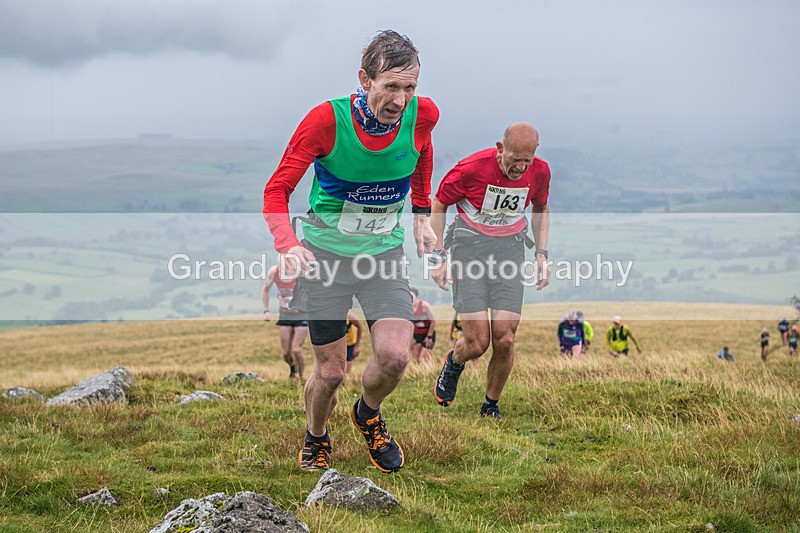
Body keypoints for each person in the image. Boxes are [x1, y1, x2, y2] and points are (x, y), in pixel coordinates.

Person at [263, 30, 439, 473]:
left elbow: (421, 155)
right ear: (365, 79)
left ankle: (367, 413)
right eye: (391, 86)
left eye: (410, 87)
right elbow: (276, 190)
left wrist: (421, 216)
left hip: (382, 256)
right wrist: (288, 245)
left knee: (396, 357)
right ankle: (316, 435)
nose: (400, 100)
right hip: (323, 257)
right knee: (331, 372)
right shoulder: (326, 122)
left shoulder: (423, 115)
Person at [430, 122, 551, 420]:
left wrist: (541, 253)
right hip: (469, 251)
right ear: (500, 148)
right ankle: (455, 360)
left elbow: (541, 208)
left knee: (505, 338)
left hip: (509, 251)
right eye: (515, 159)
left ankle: (490, 405)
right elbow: (439, 204)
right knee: (477, 343)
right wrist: (438, 256)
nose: (520, 167)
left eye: (527, 160)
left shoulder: (540, 171)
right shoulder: (470, 169)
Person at [262, 264, 309, 379]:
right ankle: (293, 369)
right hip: (285, 316)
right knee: (286, 353)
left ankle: (301, 377)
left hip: (302, 315)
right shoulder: (274, 272)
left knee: (296, 350)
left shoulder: (300, 271)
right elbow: (265, 289)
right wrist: (266, 310)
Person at [409, 287, 437, 362]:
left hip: (427, 334)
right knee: (415, 360)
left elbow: (433, 322)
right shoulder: (407, 308)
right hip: (416, 334)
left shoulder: (424, 305)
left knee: (423, 359)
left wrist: (429, 337)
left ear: (417, 297)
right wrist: (412, 338)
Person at [345, 310, 364, 374]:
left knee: (347, 370)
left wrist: (357, 346)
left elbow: (360, 326)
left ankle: (347, 379)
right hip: (337, 344)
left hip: (349, 344)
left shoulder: (349, 315)